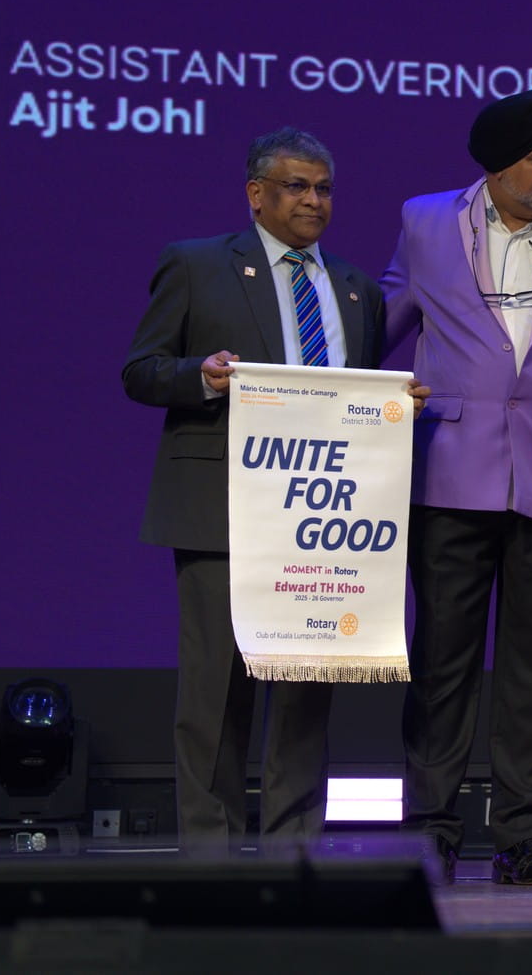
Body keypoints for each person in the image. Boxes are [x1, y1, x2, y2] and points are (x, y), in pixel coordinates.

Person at [122, 127, 397, 856]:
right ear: (256, 194)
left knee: (305, 693)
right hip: (220, 512)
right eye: (296, 186)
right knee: (215, 694)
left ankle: (292, 852)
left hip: (318, 519)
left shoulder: (357, 289)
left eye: (324, 188)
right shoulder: (196, 264)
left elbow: (358, 399)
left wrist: (396, 408)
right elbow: (141, 370)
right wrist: (202, 376)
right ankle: (209, 857)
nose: (314, 201)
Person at [381, 86, 532, 886]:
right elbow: (377, 326)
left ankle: (523, 833)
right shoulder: (426, 221)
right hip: (448, 471)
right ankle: (430, 827)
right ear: (496, 167)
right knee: (443, 659)